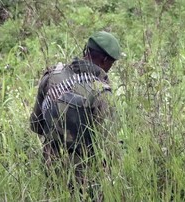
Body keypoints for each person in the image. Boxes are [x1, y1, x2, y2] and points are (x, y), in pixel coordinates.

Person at [29, 31, 121, 198]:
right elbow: (108, 148)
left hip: (51, 167)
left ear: (86, 50)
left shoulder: (52, 77)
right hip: (86, 177)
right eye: (112, 63)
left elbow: (36, 125)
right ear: (105, 60)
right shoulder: (100, 92)